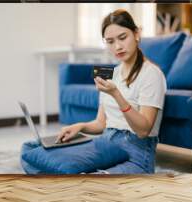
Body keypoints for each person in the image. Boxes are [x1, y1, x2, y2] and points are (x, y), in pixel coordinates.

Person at [21, 9, 166, 174]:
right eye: (110, 41)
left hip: (134, 152)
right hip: (105, 143)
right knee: (30, 149)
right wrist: (79, 126)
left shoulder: (152, 74)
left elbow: (143, 130)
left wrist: (116, 95)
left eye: (123, 37)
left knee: (90, 184)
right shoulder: (112, 73)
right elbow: (100, 124)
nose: (117, 46)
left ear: (136, 34)